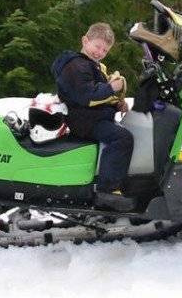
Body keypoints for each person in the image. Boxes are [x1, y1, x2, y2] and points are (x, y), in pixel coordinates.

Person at [51, 22, 135, 212]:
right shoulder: (75, 65)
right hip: (85, 120)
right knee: (122, 138)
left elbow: (97, 95)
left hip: (92, 117)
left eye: (105, 50)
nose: (100, 52)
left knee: (124, 132)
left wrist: (116, 103)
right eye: (97, 46)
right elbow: (85, 95)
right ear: (85, 40)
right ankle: (107, 191)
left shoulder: (90, 65)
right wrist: (112, 88)